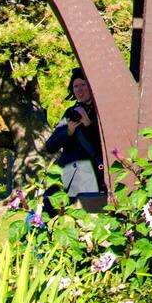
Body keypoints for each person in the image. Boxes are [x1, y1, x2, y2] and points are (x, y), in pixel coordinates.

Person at [42, 68, 107, 213]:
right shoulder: (71, 113)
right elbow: (50, 146)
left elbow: (105, 145)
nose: (79, 90)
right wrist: (69, 131)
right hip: (68, 172)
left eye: (83, 85)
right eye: (75, 86)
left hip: (90, 175)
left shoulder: (102, 112)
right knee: (47, 207)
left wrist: (88, 124)